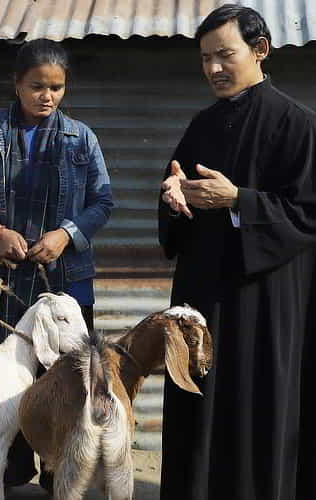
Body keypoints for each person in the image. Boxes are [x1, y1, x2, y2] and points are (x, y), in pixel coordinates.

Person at [158, 4, 316, 500]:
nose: (213, 69)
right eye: (205, 59)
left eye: (224, 55)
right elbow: (176, 190)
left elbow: (308, 213)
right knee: (197, 409)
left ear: (260, 50)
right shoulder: (202, 125)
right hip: (201, 300)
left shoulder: (299, 126)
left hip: (265, 306)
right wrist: (173, 199)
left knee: (257, 410)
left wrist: (239, 201)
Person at [0, 38, 113, 490]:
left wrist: (66, 235)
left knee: (66, 384)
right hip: (0, 283)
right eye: (37, 86)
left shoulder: (82, 137)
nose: (47, 96)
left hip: (67, 285)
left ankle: (59, 476)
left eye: (57, 87)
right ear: (16, 84)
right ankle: (2, 474)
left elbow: (103, 201)